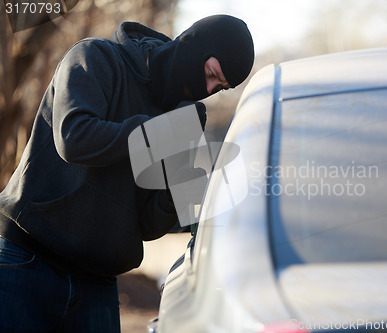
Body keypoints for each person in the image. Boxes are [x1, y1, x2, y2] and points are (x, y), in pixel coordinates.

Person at [0, 14, 254, 332]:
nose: (209, 89)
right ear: (192, 44)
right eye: (211, 74)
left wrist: (184, 192)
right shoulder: (95, 57)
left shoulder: (179, 117)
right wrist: (161, 133)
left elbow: (147, 223)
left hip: (98, 286)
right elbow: (75, 138)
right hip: (26, 263)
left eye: (220, 87)